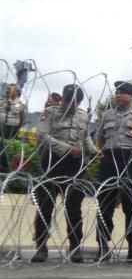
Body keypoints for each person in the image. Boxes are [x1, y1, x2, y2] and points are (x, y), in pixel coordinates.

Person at [30, 84, 98, 263]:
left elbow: (85, 137)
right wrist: (68, 149)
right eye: (69, 101)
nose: (72, 106)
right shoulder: (50, 113)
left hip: (75, 166)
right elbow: (42, 136)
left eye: (76, 103)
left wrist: (93, 150)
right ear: (63, 98)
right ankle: (41, 247)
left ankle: (75, 248)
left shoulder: (83, 115)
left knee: (74, 208)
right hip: (52, 163)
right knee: (45, 206)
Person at [93, 81, 132, 263]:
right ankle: (103, 246)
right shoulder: (108, 115)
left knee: (131, 205)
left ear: (131, 96)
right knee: (105, 205)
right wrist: (107, 152)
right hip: (110, 160)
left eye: (122, 92)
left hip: (130, 160)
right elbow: (100, 137)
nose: (118, 95)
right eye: (117, 92)